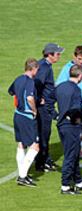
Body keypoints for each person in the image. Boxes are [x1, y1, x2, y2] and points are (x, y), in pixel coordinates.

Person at [55, 46, 82, 166]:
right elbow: (59, 86)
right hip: (76, 107)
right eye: (79, 59)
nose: (81, 61)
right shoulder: (68, 69)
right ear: (74, 56)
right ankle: (79, 153)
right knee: (78, 131)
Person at [55, 65, 82, 194]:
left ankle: (79, 182)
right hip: (72, 126)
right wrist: (80, 119)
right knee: (70, 155)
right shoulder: (76, 90)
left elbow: (47, 101)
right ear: (80, 75)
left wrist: (56, 115)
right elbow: (75, 109)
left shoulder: (60, 86)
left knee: (74, 154)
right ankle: (65, 185)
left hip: (62, 125)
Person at [8, 58, 40, 187]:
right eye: (37, 69)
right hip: (27, 117)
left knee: (21, 144)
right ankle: (22, 176)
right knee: (35, 146)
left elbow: (11, 92)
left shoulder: (18, 79)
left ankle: (23, 174)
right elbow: (30, 97)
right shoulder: (30, 82)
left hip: (17, 115)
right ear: (33, 69)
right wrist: (34, 110)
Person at [34, 43, 64, 172]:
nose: (59, 56)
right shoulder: (44, 68)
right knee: (43, 134)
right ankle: (41, 162)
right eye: (57, 54)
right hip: (44, 107)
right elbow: (36, 85)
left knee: (45, 133)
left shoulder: (45, 65)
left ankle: (45, 159)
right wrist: (39, 99)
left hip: (46, 105)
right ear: (49, 54)